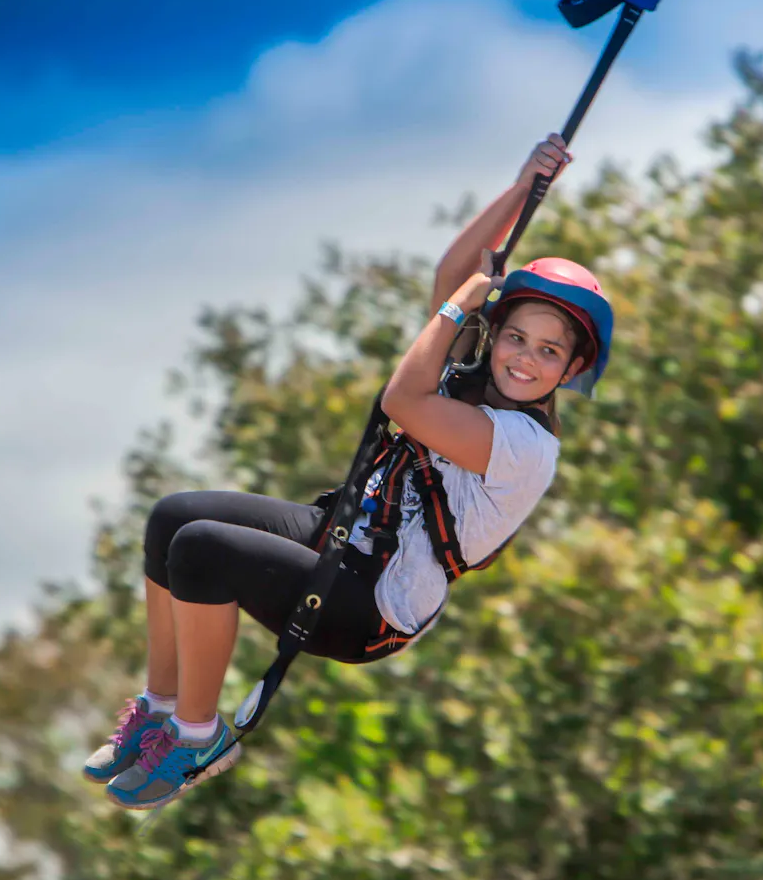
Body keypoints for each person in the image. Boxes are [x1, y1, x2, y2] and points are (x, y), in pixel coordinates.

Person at [81, 134, 615, 810]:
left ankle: (198, 735)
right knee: (172, 517)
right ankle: (158, 709)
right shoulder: (474, 378)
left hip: (374, 602)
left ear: (570, 371)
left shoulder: (524, 444)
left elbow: (402, 400)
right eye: (513, 336)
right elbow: (453, 272)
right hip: (345, 533)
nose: (522, 359)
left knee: (201, 551)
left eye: (547, 351)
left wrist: (463, 307)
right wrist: (520, 189)